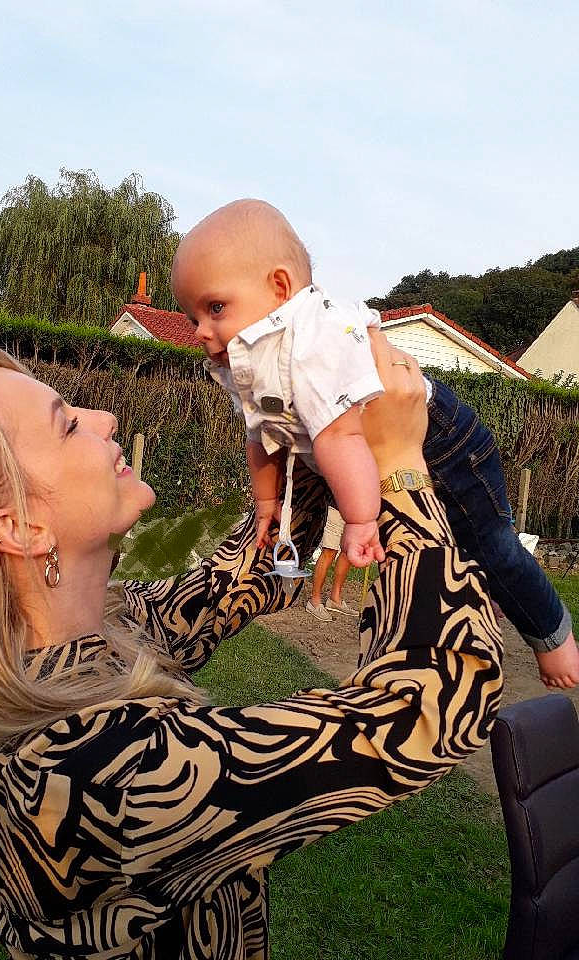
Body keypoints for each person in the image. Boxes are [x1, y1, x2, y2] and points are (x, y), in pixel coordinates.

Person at [0, 337, 502, 959]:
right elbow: (434, 704)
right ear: (22, 528)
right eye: (66, 425)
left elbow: (238, 584)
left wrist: (317, 424)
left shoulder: (94, 637)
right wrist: (397, 468)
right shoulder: (94, 775)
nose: (105, 418)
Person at [171, 198, 579, 690]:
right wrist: (265, 502)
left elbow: (341, 434)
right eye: (192, 314)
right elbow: (259, 434)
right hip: (367, 458)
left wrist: (361, 520)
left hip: (441, 440)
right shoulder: (247, 356)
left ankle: (553, 637)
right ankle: (482, 593)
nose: (200, 329)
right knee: (438, 553)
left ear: (278, 288)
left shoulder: (311, 339)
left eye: (215, 307)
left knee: (492, 544)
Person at [305, 505, 359, 620]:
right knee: (329, 551)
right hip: (337, 506)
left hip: (357, 511)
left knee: (347, 551)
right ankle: (314, 601)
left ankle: (335, 599)